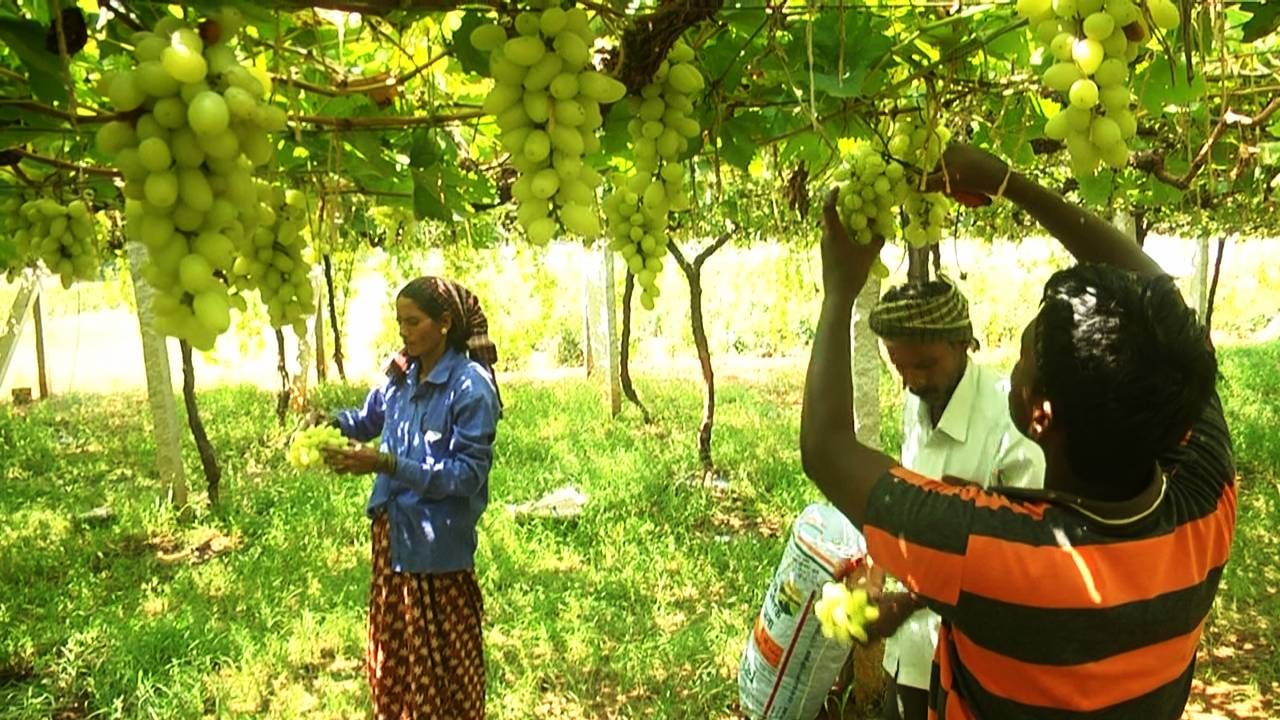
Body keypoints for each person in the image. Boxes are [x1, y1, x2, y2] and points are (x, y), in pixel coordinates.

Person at [799, 143, 1234, 719]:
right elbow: (1170, 322)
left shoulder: (986, 547)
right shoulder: (1204, 506)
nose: (1013, 365)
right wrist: (1011, 185)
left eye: (1025, 356)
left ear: (1040, 416)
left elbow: (825, 450)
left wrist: (838, 294)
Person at [320, 276, 502, 720]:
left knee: (443, 673)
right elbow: (367, 420)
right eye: (399, 321)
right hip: (393, 541)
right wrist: (327, 422)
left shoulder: (470, 387)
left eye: (413, 321)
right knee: (395, 663)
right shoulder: (402, 375)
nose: (403, 331)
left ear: (444, 323)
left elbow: (465, 476)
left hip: (437, 553)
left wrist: (386, 465)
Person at [866, 277, 1044, 720]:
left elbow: (1017, 554)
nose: (912, 381)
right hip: (911, 650)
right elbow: (913, 495)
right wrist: (872, 570)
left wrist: (907, 604)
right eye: (899, 366)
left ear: (964, 342)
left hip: (975, 663)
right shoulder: (918, 401)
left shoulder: (1011, 422)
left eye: (925, 364)